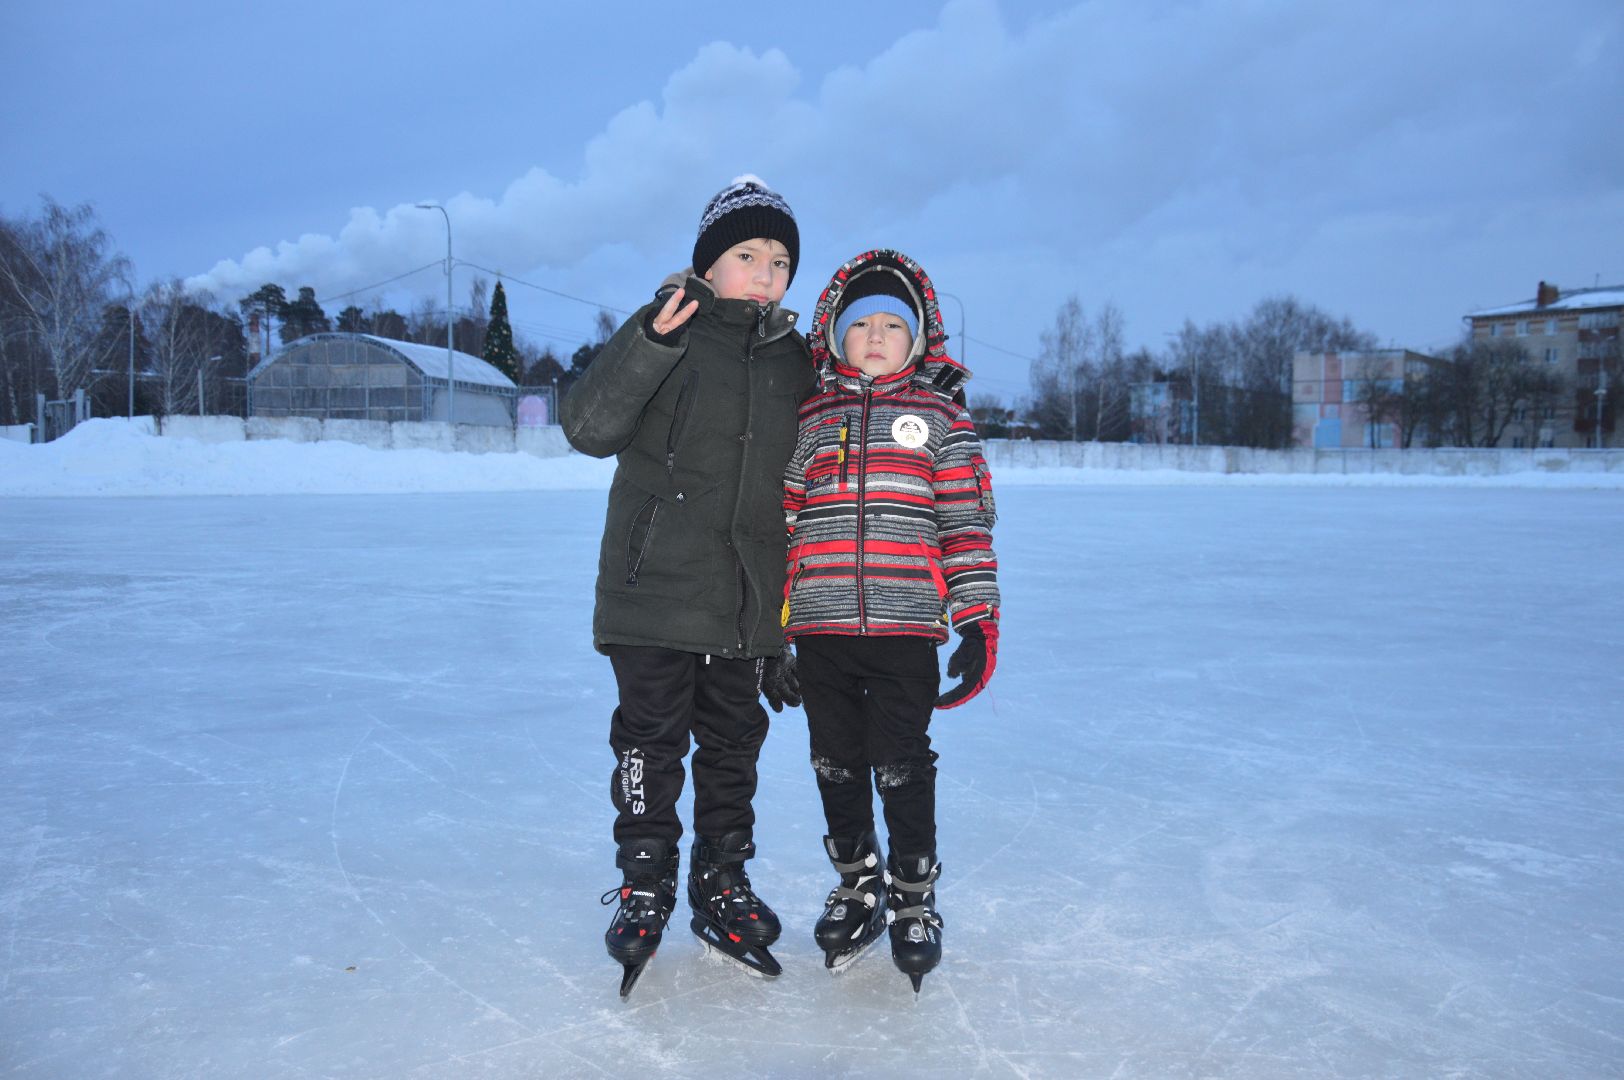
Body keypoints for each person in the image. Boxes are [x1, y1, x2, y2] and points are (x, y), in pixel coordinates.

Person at [560, 176, 814, 997]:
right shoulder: (666, 327)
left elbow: (823, 468)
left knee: (735, 745)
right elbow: (588, 428)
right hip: (654, 590)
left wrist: (788, 622)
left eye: (780, 262)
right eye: (748, 256)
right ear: (708, 264)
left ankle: (721, 880)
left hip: (746, 601)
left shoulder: (795, 359)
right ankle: (644, 883)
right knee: (649, 741)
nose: (766, 275)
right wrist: (649, 341)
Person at [782, 248, 1000, 992]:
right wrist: (769, 629)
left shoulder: (940, 419)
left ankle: (913, 891)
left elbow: (965, 526)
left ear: (919, 338)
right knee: (835, 760)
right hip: (821, 627)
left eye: (892, 324)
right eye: (860, 323)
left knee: (901, 761)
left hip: (907, 628)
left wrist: (977, 620)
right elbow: (782, 520)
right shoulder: (810, 417)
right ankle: (856, 882)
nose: (875, 335)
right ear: (834, 335)